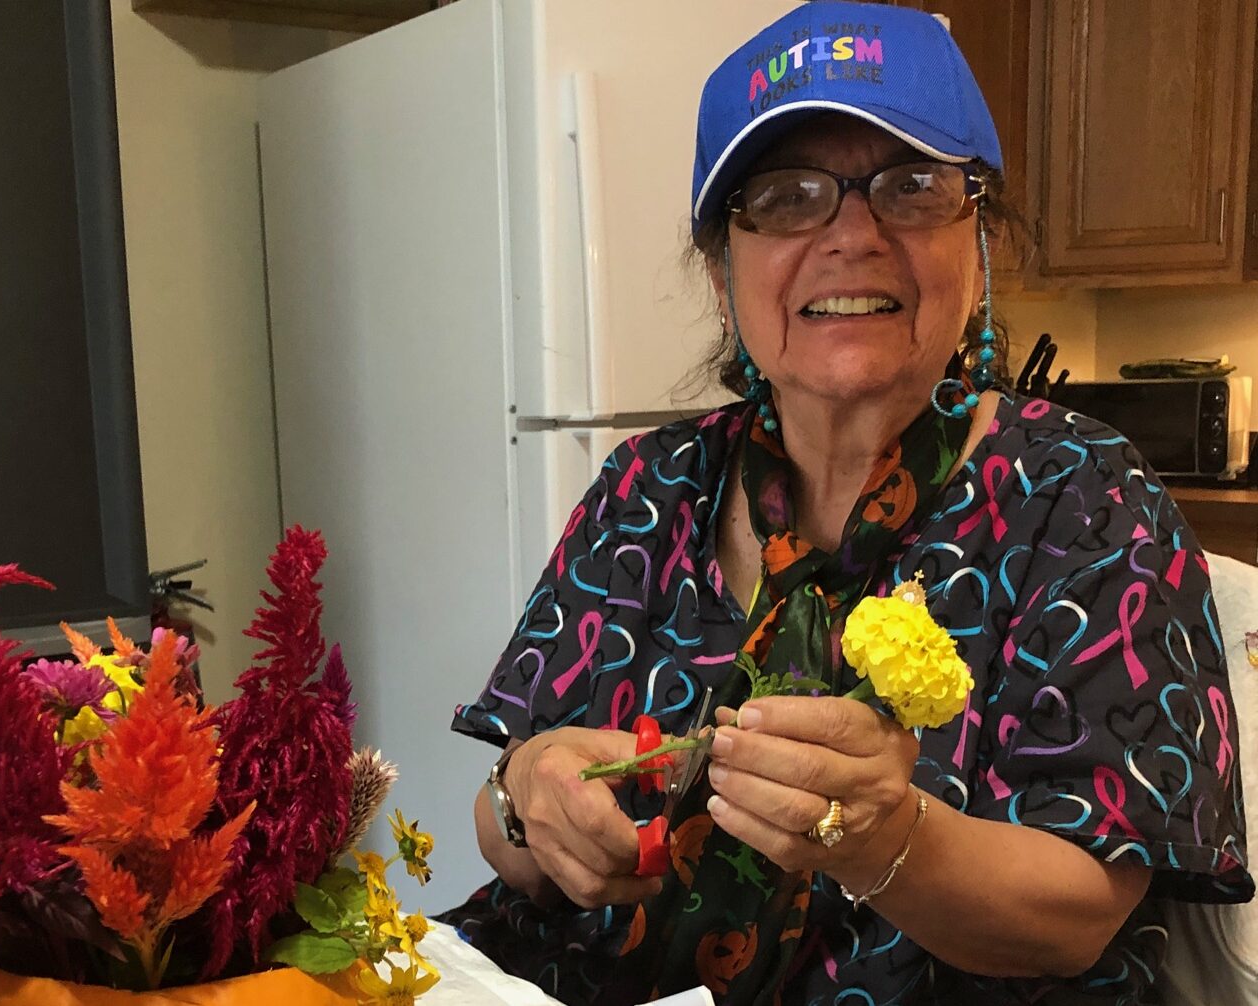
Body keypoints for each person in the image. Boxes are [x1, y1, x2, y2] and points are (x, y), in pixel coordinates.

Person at [439, 3, 1253, 1005]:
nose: (853, 236)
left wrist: (886, 837)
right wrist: (526, 799)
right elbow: (505, 813)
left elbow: (1085, 911)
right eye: (785, 197)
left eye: (911, 187)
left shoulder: (1084, 498)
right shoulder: (649, 485)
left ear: (979, 240)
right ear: (721, 267)